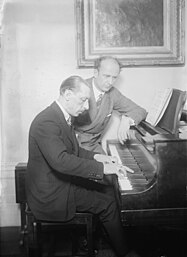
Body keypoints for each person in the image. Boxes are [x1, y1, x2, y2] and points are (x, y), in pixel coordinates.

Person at [26, 75, 140, 257]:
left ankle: (97, 240)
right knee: (108, 203)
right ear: (67, 94)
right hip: (51, 195)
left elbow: (75, 151)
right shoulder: (47, 121)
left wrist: (99, 158)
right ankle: (124, 252)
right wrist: (103, 169)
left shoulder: (61, 116)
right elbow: (61, 161)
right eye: (83, 100)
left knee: (108, 189)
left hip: (59, 185)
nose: (87, 107)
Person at [74, 56, 147, 154]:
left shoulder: (113, 93)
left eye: (114, 77)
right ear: (96, 73)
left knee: (114, 167)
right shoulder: (78, 88)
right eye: (106, 76)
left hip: (93, 145)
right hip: (74, 146)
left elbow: (140, 111)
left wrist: (127, 120)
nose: (110, 82)